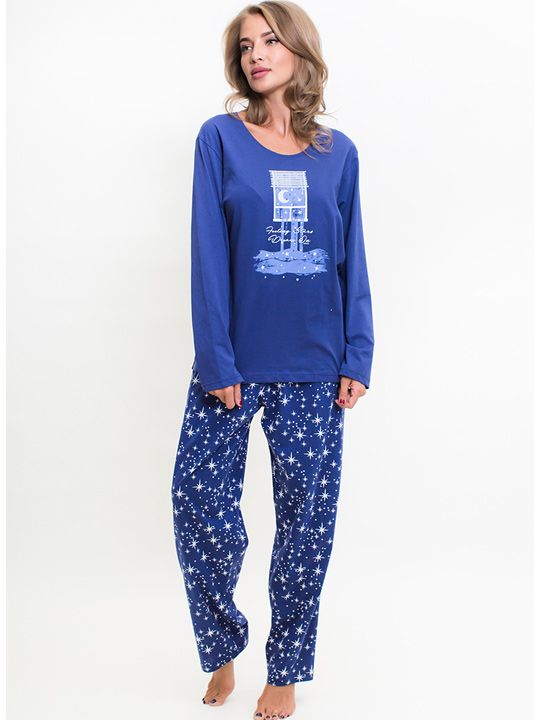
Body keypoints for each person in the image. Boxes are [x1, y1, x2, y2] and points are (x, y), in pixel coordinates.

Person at [171, 2, 374, 718]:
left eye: (270, 41)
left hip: (316, 366)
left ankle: (284, 670)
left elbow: (351, 256)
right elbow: (207, 254)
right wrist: (216, 360)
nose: (256, 55)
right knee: (198, 506)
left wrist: (358, 352)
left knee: (306, 528)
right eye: (245, 46)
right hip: (231, 367)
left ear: (299, 51)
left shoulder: (338, 153)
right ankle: (222, 647)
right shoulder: (220, 138)